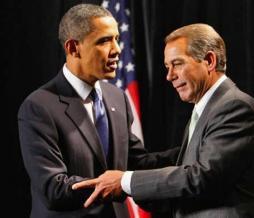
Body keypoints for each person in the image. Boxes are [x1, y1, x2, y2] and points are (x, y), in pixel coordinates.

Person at [72, 23, 254, 217]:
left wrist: (125, 181)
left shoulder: (235, 108)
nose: (169, 76)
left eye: (177, 64)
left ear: (209, 61)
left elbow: (200, 178)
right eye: (167, 66)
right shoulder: (208, 109)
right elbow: (181, 165)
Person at [18, 3, 179, 218]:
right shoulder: (39, 107)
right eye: (104, 41)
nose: (117, 50)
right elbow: (53, 188)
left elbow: (137, 163)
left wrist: (188, 149)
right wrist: (114, 185)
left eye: (116, 39)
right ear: (73, 48)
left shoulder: (116, 97)